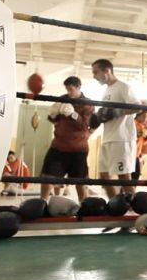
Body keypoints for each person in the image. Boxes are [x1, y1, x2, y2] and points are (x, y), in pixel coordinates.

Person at [90, 59, 140, 198]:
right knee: (103, 176)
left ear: (107, 70)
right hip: (107, 138)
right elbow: (107, 114)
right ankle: (115, 204)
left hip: (121, 138)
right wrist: (99, 116)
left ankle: (134, 207)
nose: (94, 76)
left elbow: (138, 106)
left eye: (96, 72)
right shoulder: (106, 90)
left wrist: (116, 112)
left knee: (124, 176)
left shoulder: (123, 87)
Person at [39, 76, 94, 201]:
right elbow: (54, 120)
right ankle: (41, 204)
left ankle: (84, 206)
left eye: (71, 89)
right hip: (59, 146)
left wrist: (73, 114)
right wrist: (52, 114)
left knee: (80, 182)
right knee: (48, 178)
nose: (69, 92)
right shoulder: (62, 99)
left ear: (79, 87)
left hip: (78, 148)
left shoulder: (88, 104)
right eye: (67, 89)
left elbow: (84, 126)